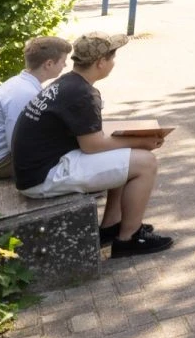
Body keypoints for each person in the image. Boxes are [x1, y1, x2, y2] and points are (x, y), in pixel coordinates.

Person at [11, 33, 174, 258]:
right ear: (100, 62)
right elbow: (92, 145)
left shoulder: (68, 83)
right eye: (112, 58)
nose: (113, 63)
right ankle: (129, 239)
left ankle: (111, 226)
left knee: (125, 156)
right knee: (146, 163)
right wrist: (142, 142)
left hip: (37, 169)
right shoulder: (82, 94)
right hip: (43, 176)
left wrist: (132, 141)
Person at [0, 35, 72, 178]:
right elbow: (18, 144)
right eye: (63, 61)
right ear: (49, 64)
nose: (65, 66)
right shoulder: (23, 92)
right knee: (74, 157)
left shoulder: (22, 83)